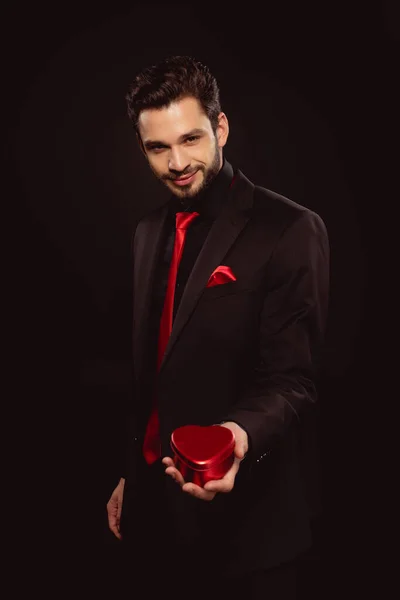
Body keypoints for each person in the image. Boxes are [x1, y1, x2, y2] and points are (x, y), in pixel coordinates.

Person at [106, 55, 330, 599]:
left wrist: (236, 437)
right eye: (158, 148)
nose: (177, 162)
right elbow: (152, 371)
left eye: (191, 139)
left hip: (250, 536)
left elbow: (294, 379)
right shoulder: (144, 232)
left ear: (221, 127)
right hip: (153, 521)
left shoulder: (291, 229)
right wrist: (130, 477)